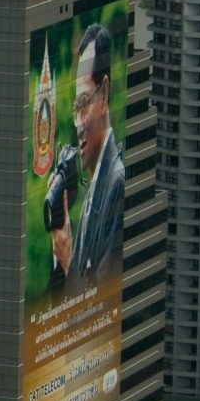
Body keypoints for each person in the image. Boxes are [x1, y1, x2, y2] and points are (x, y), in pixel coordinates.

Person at [49, 23, 126, 286]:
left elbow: (101, 309)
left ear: (104, 94)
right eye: (75, 109)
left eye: (84, 104)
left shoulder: (116, 183)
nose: (78, 124)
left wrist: (68, 258)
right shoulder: (94, 186)